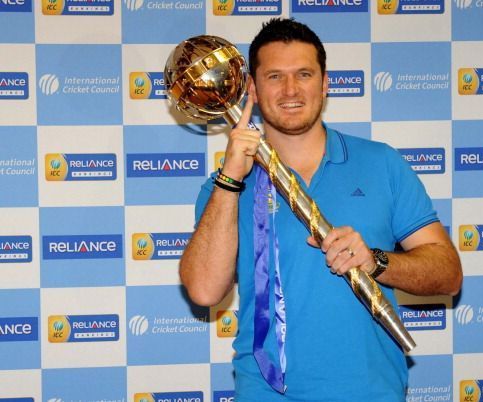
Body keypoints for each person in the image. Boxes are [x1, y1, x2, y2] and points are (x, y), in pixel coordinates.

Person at [180, 17, 462, 402]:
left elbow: (448, 274)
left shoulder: (382, 164)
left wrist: (377, 262)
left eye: (305, 74)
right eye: (275, 76)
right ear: (253, 90)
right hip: (265, 393)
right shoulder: (225, 187)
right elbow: (204, 290)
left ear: (326, 83)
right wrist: (231, 179)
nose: (291, 89)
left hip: (371, 392)